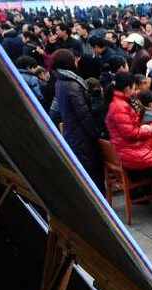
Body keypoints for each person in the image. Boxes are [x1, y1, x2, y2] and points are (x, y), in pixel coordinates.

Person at [51, 49, 103, 191]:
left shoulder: (60, 81)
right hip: (81, 137)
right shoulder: (71, 85)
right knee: (92, 175)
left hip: (72, 132)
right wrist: (96, 133)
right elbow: (83, 114)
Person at [104, 71, 152, 174]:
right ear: (127, 89)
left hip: (129, 151)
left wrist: (141, 128)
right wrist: (148, 131)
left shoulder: (118, 102)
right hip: (132, 155)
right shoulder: (119, 106)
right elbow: (130, 133)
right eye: (134, 88)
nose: (135, 91)